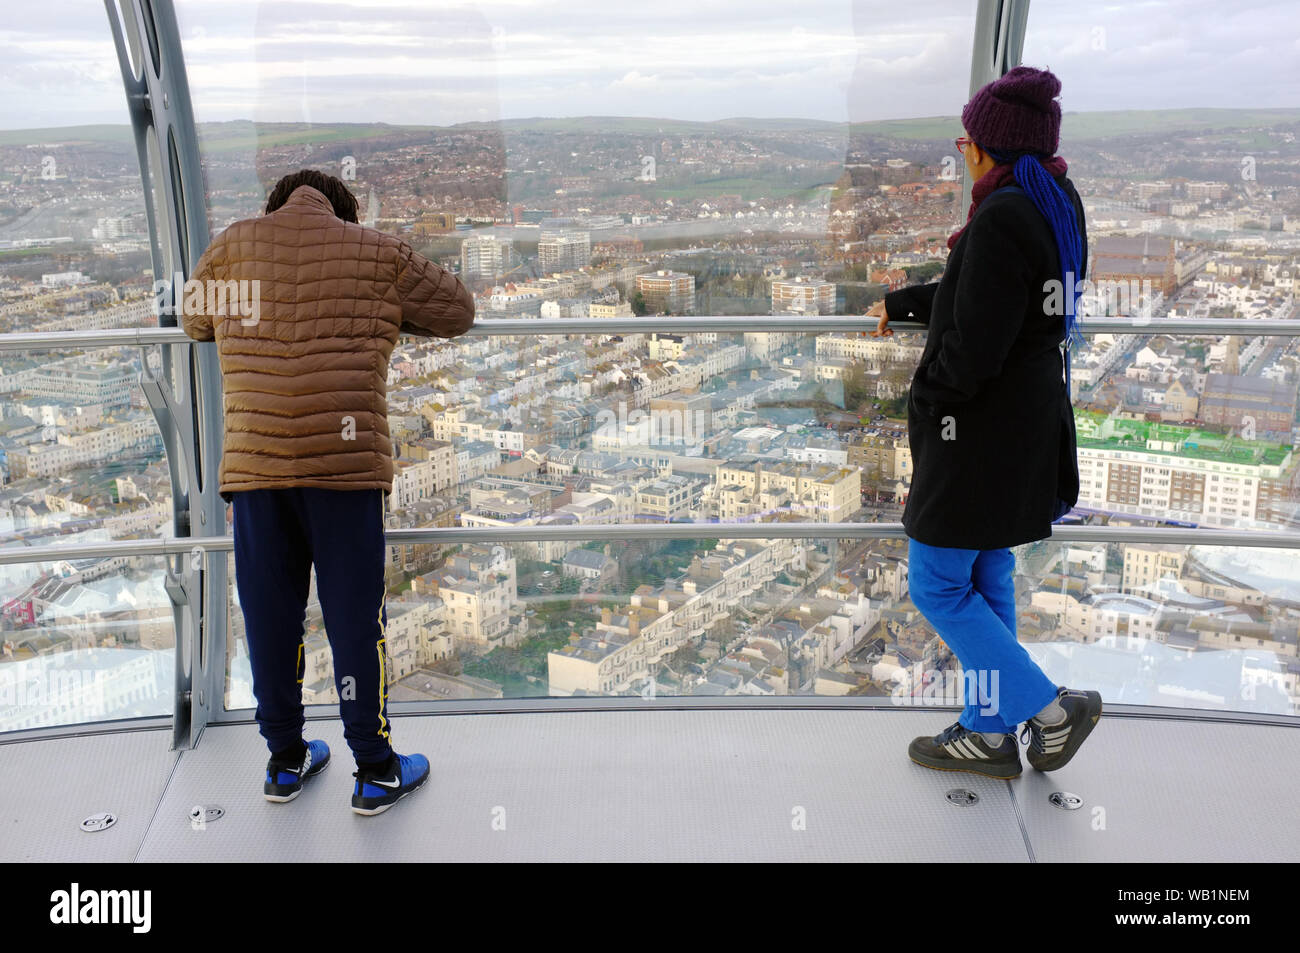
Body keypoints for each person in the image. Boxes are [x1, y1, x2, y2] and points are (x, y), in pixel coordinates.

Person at [182, 169, 475, 813]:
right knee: (351, 617)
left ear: (274, 206)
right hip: (345, 466)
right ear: (344, 211)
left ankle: (285, 761)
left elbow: (194, 321)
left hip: (257, 467)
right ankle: (374, 769)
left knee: (269, 614)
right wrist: (386, 316)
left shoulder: (233, 245)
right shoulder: (376, 250)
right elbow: (457, 310)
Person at [866, 66, 1101, 779]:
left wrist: (930, 402)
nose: (959, 147)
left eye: (966, 137)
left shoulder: (1001, 217)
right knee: (988, 570)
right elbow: (994, 298)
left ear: (987, 147)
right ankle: (989, 731)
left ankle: (1050, 710)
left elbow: (975, 341)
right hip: (1024, 429)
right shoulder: (1051, 200)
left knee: (938, 583)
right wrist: (907, 302)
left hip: (975, 437)